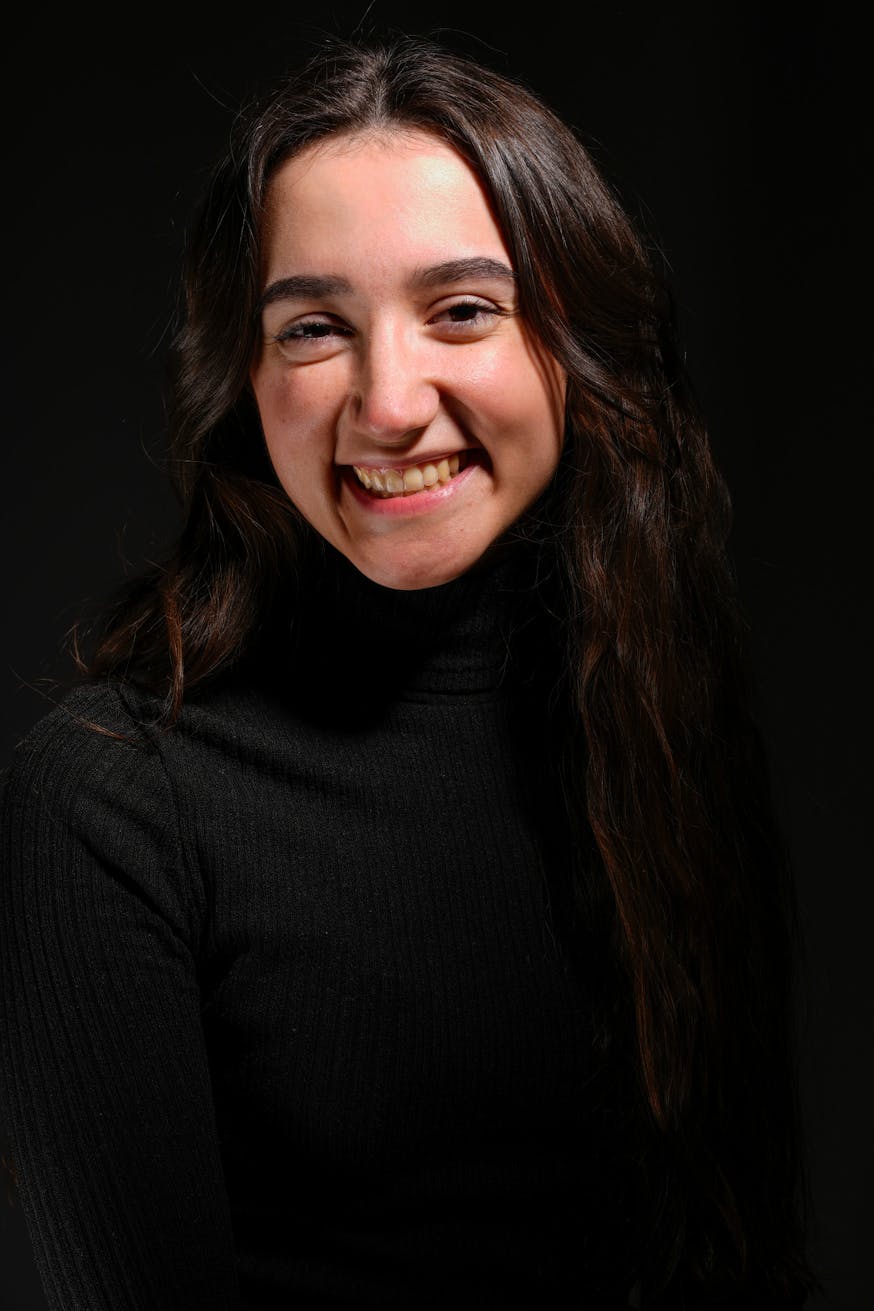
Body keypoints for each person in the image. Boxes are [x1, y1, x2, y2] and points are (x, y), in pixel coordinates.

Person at [0, 33, 815, 1310]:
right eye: (314, 328)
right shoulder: (104, 809)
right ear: (243, 381)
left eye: (464, 311)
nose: (388, 403)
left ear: (577, 347)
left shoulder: (661, 719)